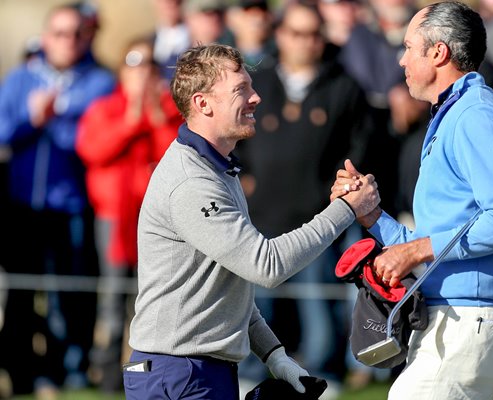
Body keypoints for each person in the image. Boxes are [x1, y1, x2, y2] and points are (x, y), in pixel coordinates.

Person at [124, 43, 380, 399]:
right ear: (203, 104)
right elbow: (266, 266)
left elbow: (230, 289)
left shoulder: (219, 169)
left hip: (196, 371)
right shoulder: (192, 182)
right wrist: (346, 210)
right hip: (179, 373)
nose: (256, 98)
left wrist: (276, 357)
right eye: (241, 89)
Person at [332, 2, 493, 398]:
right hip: (457, 319)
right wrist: (373, 215)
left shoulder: (476, 115)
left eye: (410, 47)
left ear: (438, 52)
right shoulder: (455, 114)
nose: (402, 58)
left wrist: (416, 251)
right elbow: (435, 241)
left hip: (469, 320)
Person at [234, 1, 374, 392]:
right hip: (260, 218)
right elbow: (234, 139)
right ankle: (251, 376)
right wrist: (242, 182)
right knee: (258, 307)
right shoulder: (257, 83)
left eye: (313, 33)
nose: (305, 41)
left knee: (319, 307)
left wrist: (340, 197)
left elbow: (359, 148)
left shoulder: (343, 85)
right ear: (280, 34)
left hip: (317, 220)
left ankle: (321, 376)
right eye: (296, 32)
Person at [0, 4, 115, 396]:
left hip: (72, 206)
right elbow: (3, 132)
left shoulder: (98, 82)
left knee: (70, 294)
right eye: (60, 33)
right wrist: (31, 120)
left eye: (76, 33)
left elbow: (90, 140)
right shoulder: (20, 79)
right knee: (21, 294)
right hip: (22, 207)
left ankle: (71, 368)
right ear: (47, 37)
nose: (68, 41)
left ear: (87, 37)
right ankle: (22, 372)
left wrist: (55, 119)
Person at [75, 37, 181, 394]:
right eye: (136, 65)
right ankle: (105, 376)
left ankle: (146, 374)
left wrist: (153, 115)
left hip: (160, 223)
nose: (143, 73)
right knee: (111, 299)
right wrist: (132, 120)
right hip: (115, 220)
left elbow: (178, 156)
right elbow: (93, 149)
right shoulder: (106, 108)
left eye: (151, 66)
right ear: (123, 71)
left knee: (151, 302)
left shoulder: (170, 112)